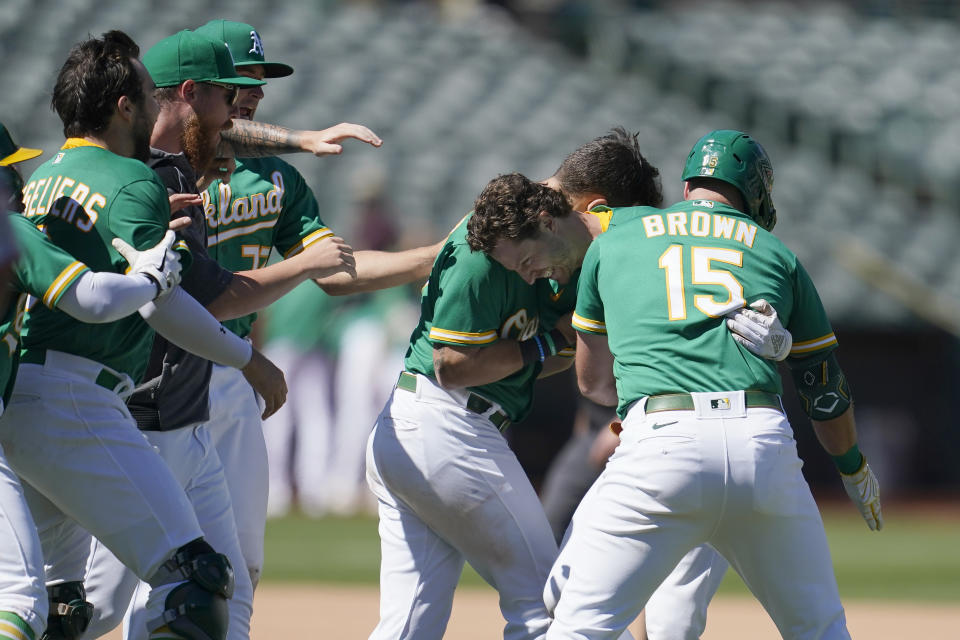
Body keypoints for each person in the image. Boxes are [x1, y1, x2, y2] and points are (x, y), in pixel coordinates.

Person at [539, 130, 882, 639]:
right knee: (820, 629)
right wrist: (853, 468)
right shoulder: (777, 253)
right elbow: (824, 390)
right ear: (757, 190)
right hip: (760, 442)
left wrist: (651, 370)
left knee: (575, 619)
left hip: (661, 439)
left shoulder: (619, 235)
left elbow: (593, 383)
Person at [6, 30, 291, 640]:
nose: (159, 107)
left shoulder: (40, 177)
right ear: (124, 107)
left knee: (62, 608)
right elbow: (163, 305)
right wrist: (248, 359)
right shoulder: (133, 181)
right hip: (79, 399)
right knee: (194, 580)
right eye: (146, 94)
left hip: (22, 395)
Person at [78, 28, 355, 640]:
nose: (241, 107)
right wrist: (250, 354)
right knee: (94, 604)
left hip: (186, 402)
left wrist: (302, 141)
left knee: (221, 580)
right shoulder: (137, 177)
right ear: (185, 92)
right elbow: (193, 298)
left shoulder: (176, 165)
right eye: (230, 91)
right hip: (133, 409)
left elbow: (224, 133)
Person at [467, 134, 793, 639]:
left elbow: (622, 369)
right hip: (676, 435)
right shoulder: (598, 251)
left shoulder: (629, 248)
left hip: (675, 433)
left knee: (640, 610)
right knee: (581, 587)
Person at [363, 125, 674, 639]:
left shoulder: (560, 249)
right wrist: (550, 344)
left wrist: (561, 345)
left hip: (428, 429)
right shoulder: (485, 245)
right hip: (446, 423)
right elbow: (453, 365)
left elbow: (546, 354)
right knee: (547, 603)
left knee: (410, 621)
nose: (532, 275)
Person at [191, 17, 441, 577]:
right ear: (201, 88)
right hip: (162, 370)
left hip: (233, 371)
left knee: (241, 564)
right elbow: (212, 136)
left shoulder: (277, 180)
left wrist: (433, 256)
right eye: (243, 79)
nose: (255, 93)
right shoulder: (168, 166)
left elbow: (337, 270)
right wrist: (304, 137)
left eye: (261, 81)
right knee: (145, 568)